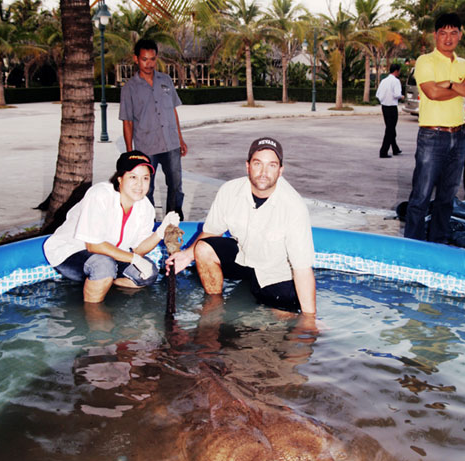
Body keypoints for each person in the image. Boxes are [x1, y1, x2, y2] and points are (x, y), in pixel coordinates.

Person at [165, 137, 316, 316]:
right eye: (258, 163)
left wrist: (310, 318)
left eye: (272, 165)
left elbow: (302, 269)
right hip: (244, 258)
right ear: (248, 166)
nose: (264, 172)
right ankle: (214, 307)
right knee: (202, 248)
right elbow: (211, 232)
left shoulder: (294, 206)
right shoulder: (229, 191)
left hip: (275, 272)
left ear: (281, 170)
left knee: (278, 327)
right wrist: (187, 255)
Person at [43, 150, 179, 303]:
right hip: (71, 252)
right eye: (133, 177)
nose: (140, 185)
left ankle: (104, 284)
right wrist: (134, 259)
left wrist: (161, 232)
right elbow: (94, 246)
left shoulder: (145, 207)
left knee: (148, 274)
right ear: (120, 178)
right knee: (103, 266)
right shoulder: (100, 195)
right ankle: (92, 317)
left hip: (112, 256)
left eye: (145, 178)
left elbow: (139, 249)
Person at [403, 12, 465, 243]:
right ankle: (412, 247)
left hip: (458, 136)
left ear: (460, 34)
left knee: (447, 198)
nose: (448, 38)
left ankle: (438, 244)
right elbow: (432, 93)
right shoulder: (425, 61)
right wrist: (459, 87)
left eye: (453, 33)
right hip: (432, 136)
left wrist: (448, 83)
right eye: (443, 33)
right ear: (435, 35)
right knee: (421, 195)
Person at [119, 38, 188, 220]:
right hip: (146, 147)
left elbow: (173, 111)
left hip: (171, 144)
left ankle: (174, 222)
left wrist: (180, 139)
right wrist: (130, 153)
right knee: (145, 188)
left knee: (175, 185)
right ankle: (147, 223)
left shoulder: (166, 80)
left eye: (152, 59)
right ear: (136, 59)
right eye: (144, 59)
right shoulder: (129, 89)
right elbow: (127, 122)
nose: (149, 64)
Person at [376, 63, 404, 158]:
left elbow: (378, 94)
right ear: (396, 71)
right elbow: (397, 94)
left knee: (390, 128)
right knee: (390, 129)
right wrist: (401, 96)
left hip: (384, 106)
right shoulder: (396, 81)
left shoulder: (384, 81)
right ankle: (383, 151)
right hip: (392, 106)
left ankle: (395, 148)